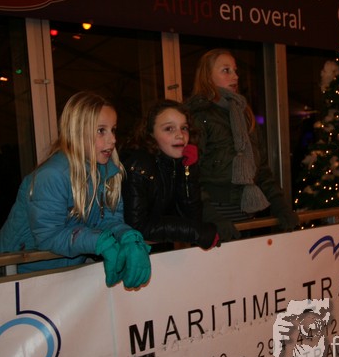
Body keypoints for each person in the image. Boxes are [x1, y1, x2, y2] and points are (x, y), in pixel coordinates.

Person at [0, 91, 151, 289]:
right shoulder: (52, 175)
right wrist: (98, 241)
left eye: (113, 130)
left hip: (61, 271)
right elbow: (49, 235)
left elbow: (109, 219)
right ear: (77, 131)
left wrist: (127, 236)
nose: (112, 140)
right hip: (19, 272)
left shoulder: (108, 172)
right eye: (101, 130)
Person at [184, 49, 299, 241]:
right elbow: (188, 173)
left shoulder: (243, 114)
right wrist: (210, 216)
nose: (235, 76)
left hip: (245, 212)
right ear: (207, 76)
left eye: (235, 70)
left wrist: (280, 205)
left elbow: (260, 168)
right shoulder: (198, 115)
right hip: (215, 213)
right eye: (226, 70)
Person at [120, 99, 218, 250]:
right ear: (151, 134)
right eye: (169, 129)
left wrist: (188, 171)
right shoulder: (139, 165)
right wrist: (195, 232)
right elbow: (138, 226)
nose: (180, 135)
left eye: (184, 128)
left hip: (163, 251)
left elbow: (192, 218)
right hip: (132, 253)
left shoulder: (177, 162)